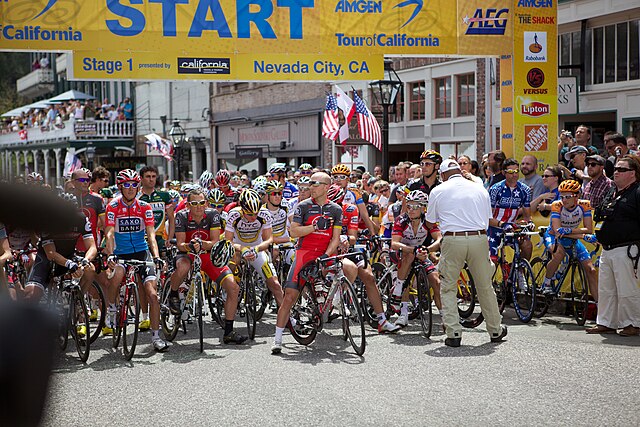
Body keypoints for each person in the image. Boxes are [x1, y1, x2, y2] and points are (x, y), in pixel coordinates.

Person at [271, 172, 357, 354]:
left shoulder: (335, 209)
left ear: (326, 187)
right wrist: (314, 227)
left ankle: (335, 302)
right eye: (310, 183)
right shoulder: (303, 206)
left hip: (325, 254)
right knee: (290, 297)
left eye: (315, 184)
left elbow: (335, 238)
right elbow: (294, 232)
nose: (311, 187)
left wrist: (326, 255)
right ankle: (277, 339)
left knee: (349, 268)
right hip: (304, 254)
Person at [425, 159, 507, 347]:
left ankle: (453, 332)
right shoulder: (479, 188)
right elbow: (488, 218)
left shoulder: (438, 190)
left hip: (453, 239)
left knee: (448, 286)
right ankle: (495, 329)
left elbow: (430, 222)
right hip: (479, 238)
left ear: (443, 174)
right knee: (485, 286)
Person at [168, 188, 247, 344]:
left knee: (233, 287)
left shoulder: (212, 215)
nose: (199, 206)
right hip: (187, 254)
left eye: (202, 203)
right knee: (182, 268)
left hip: (208, 256)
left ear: (206, 204)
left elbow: (215, 241)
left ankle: (229, 331)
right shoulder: (181, 216)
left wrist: (202, 244)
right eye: (194, 203)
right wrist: (191, 245)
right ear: (188, 205)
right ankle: (173, 294)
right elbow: (180, 244)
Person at [104, 169, 169, 352]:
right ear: (120, 187)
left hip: (142, 252)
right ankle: (112, 308)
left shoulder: (144, 207)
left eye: (134, 184)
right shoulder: (113, 206)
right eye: (127, 185)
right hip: (121, 254)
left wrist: (156, 257)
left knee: (153, 295)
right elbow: (109, 233)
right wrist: (110, 254)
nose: (131, 188)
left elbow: (151, 235)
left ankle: (156, 337)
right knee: (116, 277)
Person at [589, 155, 640, 336]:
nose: (616, 172)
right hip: (607, 248)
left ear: (633, 173)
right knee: (606, 289)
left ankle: (632, 323)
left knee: (627, 288)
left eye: (621, 169)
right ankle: (606, 322)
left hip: (627, 249)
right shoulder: (611, 191)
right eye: (616, 169)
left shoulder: (637, 192)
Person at [389, 190, 443, 328]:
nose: (411, 210)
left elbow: (439, 239)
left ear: (423, 208)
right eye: (409, 206)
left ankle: (445, 316)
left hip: (420, 252)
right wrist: (414, 250)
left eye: (415, 206)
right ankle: (403, 313)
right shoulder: (401, 220)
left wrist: (428, 250)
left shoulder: (428, 221)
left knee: (436, 281)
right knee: (409, 257)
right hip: (402, 252)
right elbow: (394, 243)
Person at [539, 180, 598, 301]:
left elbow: (588, 229)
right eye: (562, 197)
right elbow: (557, 231)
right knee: (559, 254)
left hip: (571, 237)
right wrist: (582, 236)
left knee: (591, 270)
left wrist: (571, 232)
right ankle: (547, 283)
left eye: (568, 196)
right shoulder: (557, 205)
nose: (564, 200)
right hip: (552, 236)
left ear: (577, 196)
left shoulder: (584, 205)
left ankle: (600, 309)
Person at [487, 158, 534, 262]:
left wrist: (529, 222)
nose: (515, 174)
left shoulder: (525, 190)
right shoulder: (495, 189)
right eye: (511, 172)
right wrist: (502, 224)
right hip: (494, 229)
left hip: (511, 229)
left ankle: (519, 271)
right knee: (492, 261)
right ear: (504, 172)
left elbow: (527, 216)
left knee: (527, 246)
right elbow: (488, 217)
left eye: (516, 171)